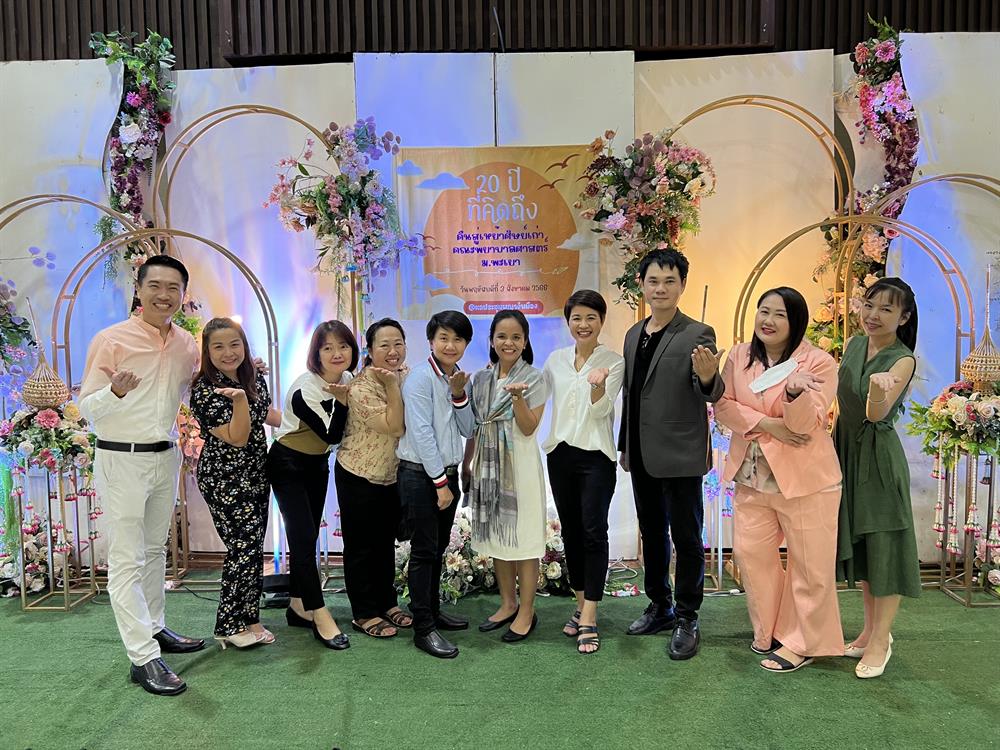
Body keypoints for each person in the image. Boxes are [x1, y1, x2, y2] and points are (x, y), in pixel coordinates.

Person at [79, 255, 204, 696]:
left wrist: (246, 373)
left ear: (182, 294)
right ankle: (142, 657)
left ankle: (154, 627)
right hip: (121, 459)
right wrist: (115, 391)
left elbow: (195, 391)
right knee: (126, 560)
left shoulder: (187, 344)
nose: (164, 295)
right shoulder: (111, 339)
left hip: (165, 456)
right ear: (139, 289)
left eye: (173, 288)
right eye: (155, 285)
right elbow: (86, 408)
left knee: (154, 551)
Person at [714, 287, 844, 673]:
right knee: (751, 557)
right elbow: (723, 406)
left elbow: (805, 425)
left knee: (810, 566)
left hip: (806, 480)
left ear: (796, 321)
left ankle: (802, 642)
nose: (768, 321)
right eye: (764, 311)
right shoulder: (739, 356)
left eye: (780, 314)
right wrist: (769, 424)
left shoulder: (818, 363)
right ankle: (768, 630)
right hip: (752, 477)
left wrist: (792, 393)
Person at [618, 248, 724, 660]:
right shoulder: (633, 334)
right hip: (642, 453)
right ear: (641, 285)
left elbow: (709, 391)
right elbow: (632, 395)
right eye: (653, 281)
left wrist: (709, 377)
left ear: (682, 285)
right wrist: (626, 446)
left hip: (680, 453)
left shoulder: (698, 332)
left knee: (687, 536)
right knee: (652, 533)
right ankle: (659, 604)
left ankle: (687, 615)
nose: (660, 289)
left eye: (669, 281)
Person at [835, 277, 919, 679]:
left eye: (886, 309)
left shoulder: (903, 360)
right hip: (845, 452)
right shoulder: (854, 344)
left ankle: (882, 639)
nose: (873, 315)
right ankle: (869, 630)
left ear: (903, 318)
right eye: (869, 305)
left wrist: (879, 390)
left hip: (878, 458)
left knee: (884, 546)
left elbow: (875, 415)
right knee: (866, 547)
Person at [190, 317, 282, 650]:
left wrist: (309, 423)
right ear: (207, 351)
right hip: (223, 477)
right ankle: (228, 624)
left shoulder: (252, 376)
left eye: (235, 344)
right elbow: (238, 436)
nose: (228, 353)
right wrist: (240, 400)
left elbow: (267, 414)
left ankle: (250, 617)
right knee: (242, 547)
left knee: (254, 548)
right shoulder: (204, 389)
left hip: (256, 473)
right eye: (218, 347)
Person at [541, 290, 625, 654]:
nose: (583, 324)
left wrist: (598, 386)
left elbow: (601, 412)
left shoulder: (614, 362)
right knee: (571, 533)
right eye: (577, 318)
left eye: (591, 317)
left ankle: (589, 615)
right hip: (560, 455)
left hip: (596, 458)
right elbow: (537, 396)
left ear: (601, 321)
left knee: (593, 532)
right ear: (568, 322)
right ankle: (581, 605)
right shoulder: (556, 360)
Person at [267, 320, 356, 651]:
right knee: (303, 539)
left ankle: (297, 605)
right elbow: (331, 434)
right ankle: (319, 613)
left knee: (307, 537)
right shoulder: (306, 388)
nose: (336, 353)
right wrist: (342, 402)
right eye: (327, 348)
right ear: (316, 353)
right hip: (288, 464)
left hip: (317, 465)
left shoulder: (347, 379)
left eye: (343, 346)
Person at [397, 310, 475, 658]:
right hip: (421, 475)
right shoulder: (418, 379)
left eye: (457, 339)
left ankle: (432, 611)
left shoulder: (457, 378)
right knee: (424, 550)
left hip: (447, 473)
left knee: (438, 547)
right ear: (431, 341)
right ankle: (423, 628)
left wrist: (459, 396)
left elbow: (468, 428)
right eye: (443, 338)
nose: (450, 345)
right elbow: (422, 434)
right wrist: (440, 485)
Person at [466, 310, 548, 643]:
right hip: (488, 466)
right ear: (491, 340)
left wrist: (517, 398)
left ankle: (526, 611)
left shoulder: (535, 378)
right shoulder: (481, 380)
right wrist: (467, 463)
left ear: (525, 342)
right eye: (502, 336)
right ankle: (507, 603)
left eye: (516, 337)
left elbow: (528, 428)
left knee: (524, 540)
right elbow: (475, 426)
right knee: (498, 538)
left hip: (521, 468)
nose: (508, 343)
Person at [334, 318, 413, 638]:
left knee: (384, 544)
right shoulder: (360, 388)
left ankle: (387, 603)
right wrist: (392, 386)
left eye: (398, 344)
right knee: (360, 547)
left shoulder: (408, 375)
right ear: (369, 350)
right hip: (358, 473)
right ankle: (364, 612)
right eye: (384, 345)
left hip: (391, 475)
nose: (393, 351)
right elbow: (395, 427)